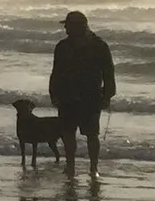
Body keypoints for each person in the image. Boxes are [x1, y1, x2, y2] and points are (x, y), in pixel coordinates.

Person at [48, 10, 116, 174]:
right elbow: (56, 72)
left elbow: (108, 73)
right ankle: (70, 166)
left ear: (78, 27)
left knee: (91, 134)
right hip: (67, 96)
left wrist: (108, 95)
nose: (65, 29)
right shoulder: (63, 47)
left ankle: (93, 168)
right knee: (68, 133)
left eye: (68, 26)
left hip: (90, 96)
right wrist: (53, 93)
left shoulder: (99, 46)